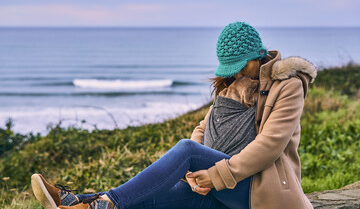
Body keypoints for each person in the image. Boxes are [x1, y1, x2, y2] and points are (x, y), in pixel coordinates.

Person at [31, 22, 317, 209]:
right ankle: (78, 202)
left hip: (261, 192)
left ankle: (90, 203)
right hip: (220, 191)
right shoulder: (233, 86)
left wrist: (214, 174)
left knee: (186, 149)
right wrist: (194, 176)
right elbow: (203, 127)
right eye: (233, 67)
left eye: (242, 65)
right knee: (148, 198)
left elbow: (270, 145)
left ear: (259, 54)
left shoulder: (288, 85)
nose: (238, 72)